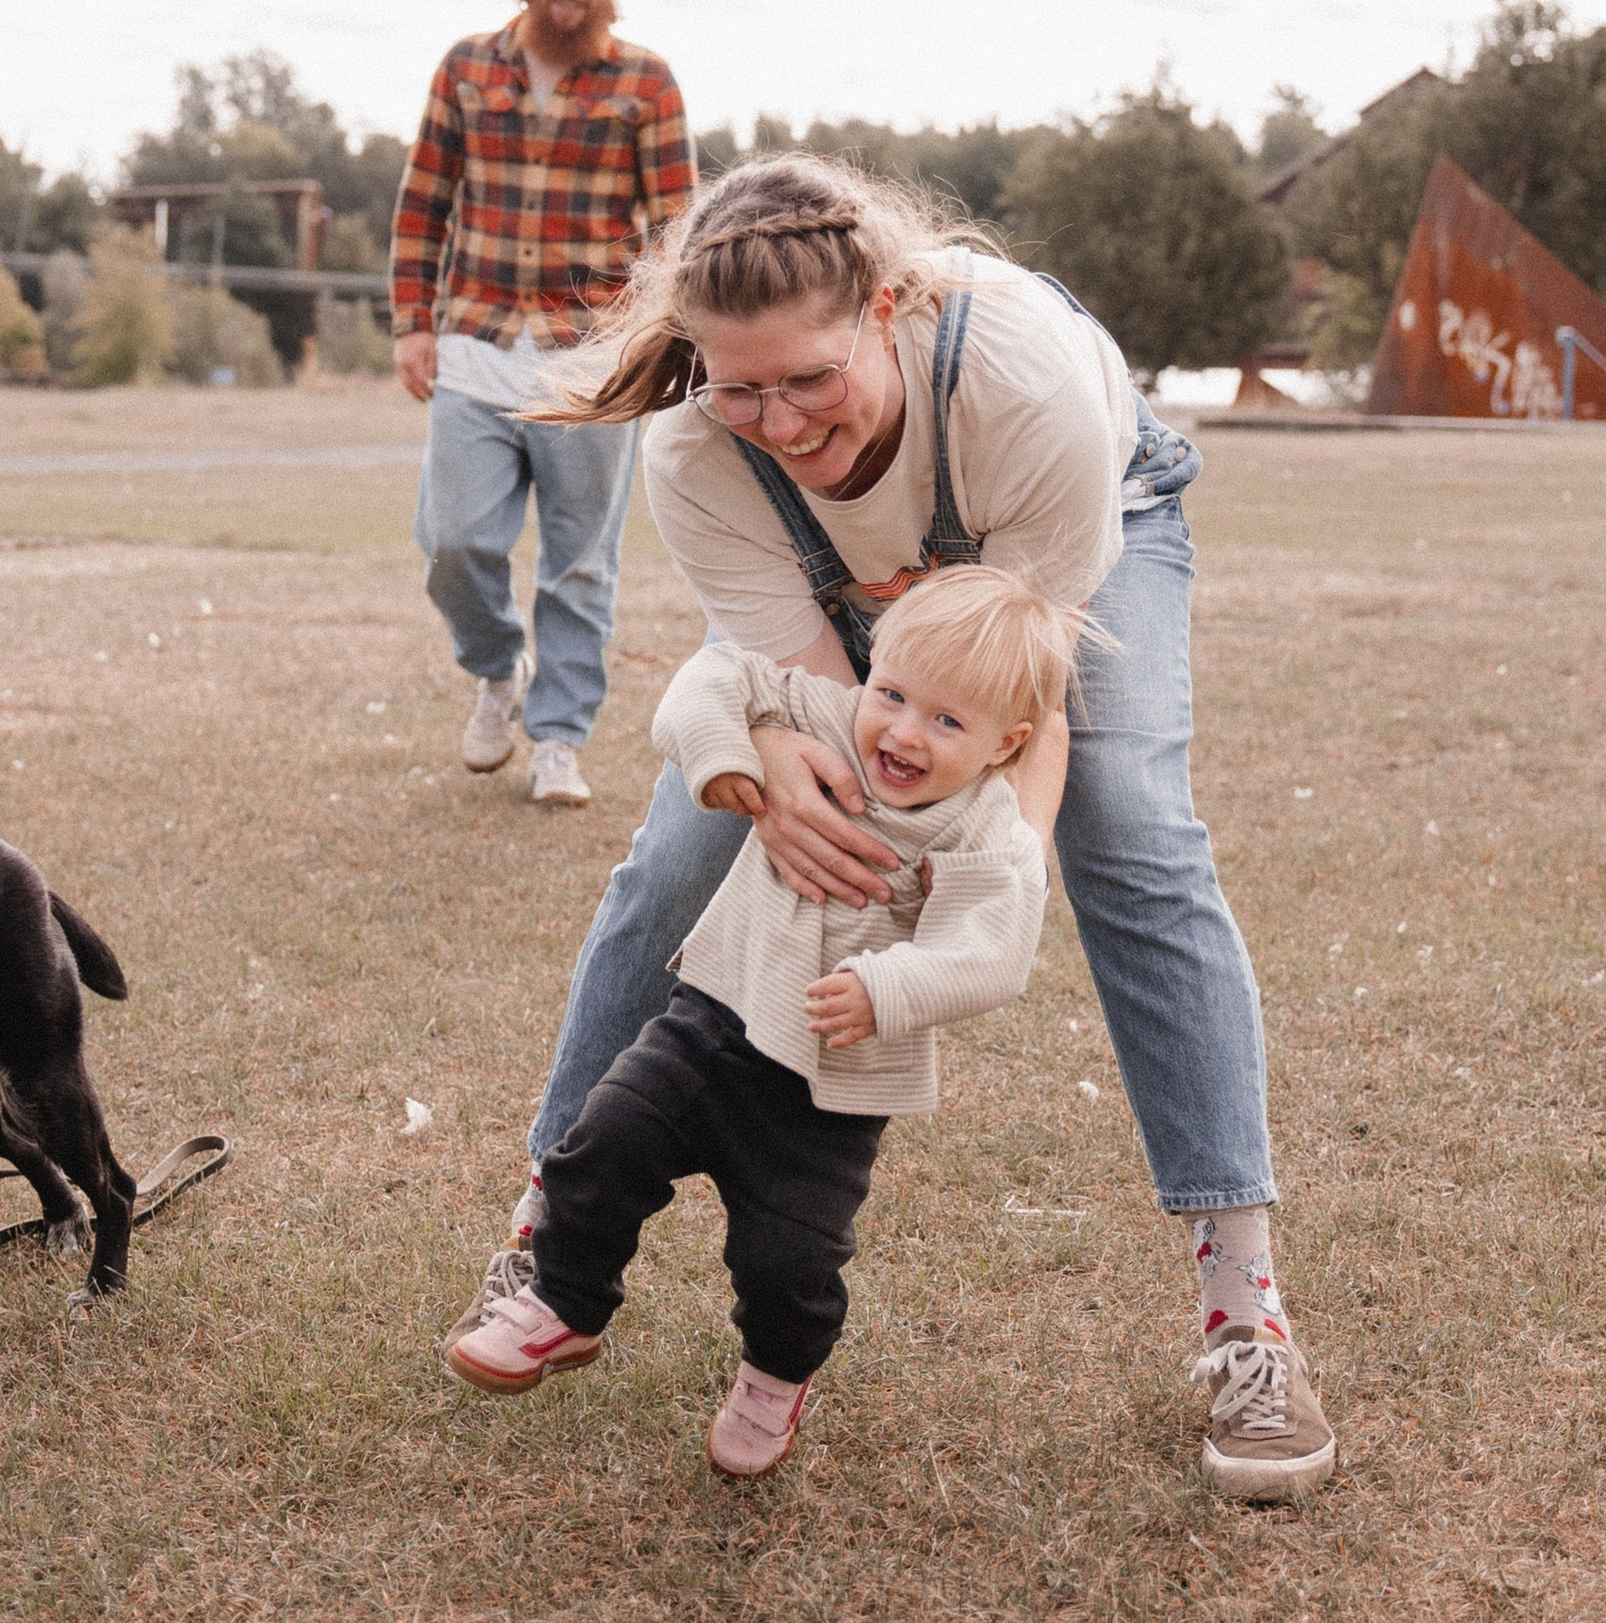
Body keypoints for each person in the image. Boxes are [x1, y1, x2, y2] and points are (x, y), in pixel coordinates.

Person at [451, 151, 1336, 1502]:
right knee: (680, 852)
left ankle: (1245, 1320)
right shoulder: (698, 447)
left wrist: (991, 894)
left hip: (1065, 538)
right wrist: (769, 776)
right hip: (835, 601)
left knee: (1134, 837)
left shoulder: (1021, 386)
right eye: (739, 386)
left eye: (810, 379)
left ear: (882, 308)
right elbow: (809, 709)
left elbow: (1024, 724)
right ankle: (547, 1238)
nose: (779, 420)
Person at [446, 568, 1068, 1480]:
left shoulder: (985, 833)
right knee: (603, 1143)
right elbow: (712, 677)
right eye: (893, 694)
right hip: (709, 1023)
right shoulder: (823, 717)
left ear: (1006, 744)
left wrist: (887, 988)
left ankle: (774, 1379)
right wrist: (727, 756)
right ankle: (565, 1304)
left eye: (946, 721)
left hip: (829, 1093)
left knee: (790, 1260)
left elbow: (994, 950)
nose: (902, 732)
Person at [390, 0, 696, 806]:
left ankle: (559, 739)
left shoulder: (646, 83)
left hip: (591, 357)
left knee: (579, 559)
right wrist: (412, 322)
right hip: (476, 339)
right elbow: (423, 204)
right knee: (454, 541)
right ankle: (498, 669)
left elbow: (678, 230)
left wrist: (667, 345)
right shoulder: (467, 67)